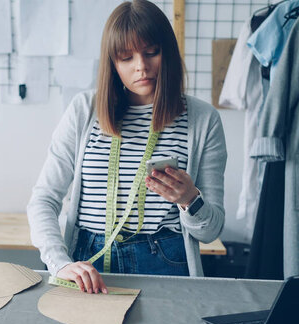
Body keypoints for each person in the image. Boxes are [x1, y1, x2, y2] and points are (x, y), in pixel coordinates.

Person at [27, 0, 226, 294]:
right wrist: (59, 262)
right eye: (126, 58)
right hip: (86, 262)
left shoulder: (203, 120)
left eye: (151, 53)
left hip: (166, 261)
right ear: (112, 63)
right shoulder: (84, 111)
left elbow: (210, 232)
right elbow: (43, 199)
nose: (141, 67)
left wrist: (190, 199)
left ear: (167, 52)